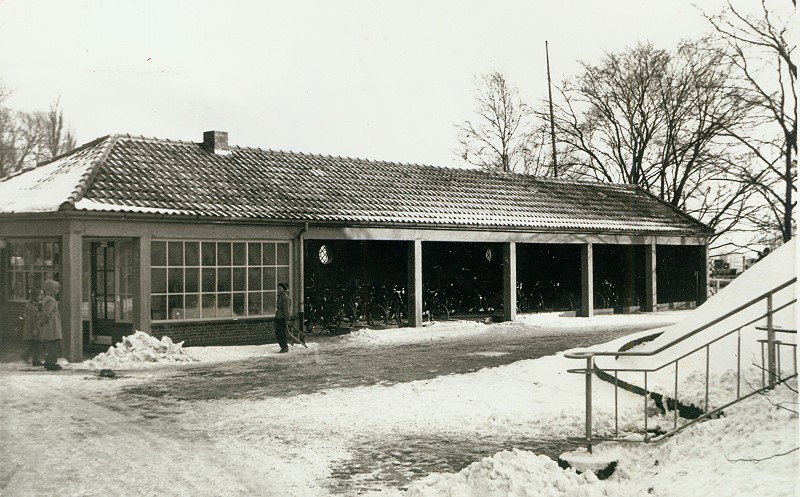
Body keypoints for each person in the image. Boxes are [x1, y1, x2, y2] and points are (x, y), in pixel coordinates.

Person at [38, 279, 63, 371]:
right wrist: (42, 321)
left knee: (50, 344)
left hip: (51, 324)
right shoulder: (51, 300)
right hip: (52, 325)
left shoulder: (47, 299)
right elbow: (47, 313)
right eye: (56, 289)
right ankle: (51, 362)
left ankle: (49, 361)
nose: (57, 290)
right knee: (52, 344)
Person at [21, 287, 43, 367]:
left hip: (34, 328)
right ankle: (34, 360)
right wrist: (34, 329)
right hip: (32, 329)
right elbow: (31, 320)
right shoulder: (30, 306)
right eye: (39, 295)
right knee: (37, 343)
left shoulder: (33, 305)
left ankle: (26, 357)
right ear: (35, 296)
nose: (40, 297)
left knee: (33, 345)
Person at [275, 282, 291, 353]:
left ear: (284, 289)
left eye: (280, 288)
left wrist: (287, 319)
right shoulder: (280, 297)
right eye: (277, 288)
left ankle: (285, 347)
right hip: (278, 316)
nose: (278, 290)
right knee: (278, 332)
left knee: (281, 332)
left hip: (282, 317)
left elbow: (286, 309)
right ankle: (282, 346)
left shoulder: (285, 298)